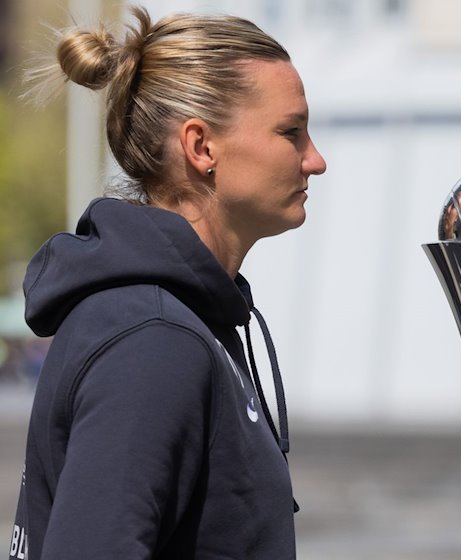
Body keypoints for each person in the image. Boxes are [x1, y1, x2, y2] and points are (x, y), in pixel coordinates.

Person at [8, 5, 326, 559]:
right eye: (291, 132)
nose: (314, 160)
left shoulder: (175, 321)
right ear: (201, 147)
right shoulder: (154, 339)